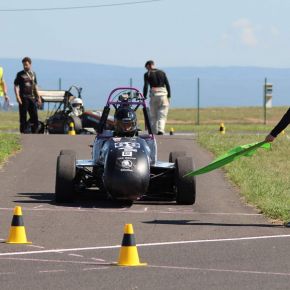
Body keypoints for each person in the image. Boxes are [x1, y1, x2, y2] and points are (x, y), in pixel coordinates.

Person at [14, 57, 42, 133]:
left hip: (32, 97)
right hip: (23, 97)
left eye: (26, 65)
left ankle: (33, 131)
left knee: (34, 116)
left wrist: (38, 97)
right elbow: (16, 85)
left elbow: (35, 86)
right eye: (23, 65)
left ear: (30, 64)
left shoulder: (33, 74)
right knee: (23, 116)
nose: (25, 66)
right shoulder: (20, 74)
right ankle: (23, 132)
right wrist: (17, 96)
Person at [143, 60, 171, 135]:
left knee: (154, 115)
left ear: (149, 65)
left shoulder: (147, 74)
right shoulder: (162, 72)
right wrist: (169, 96)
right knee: (162, 114)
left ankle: (154, 131)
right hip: (163, 95)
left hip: (154, 95)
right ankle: (161, 130)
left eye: (146, 67)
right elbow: (167, 84)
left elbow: (146, 86)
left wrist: (144, 96)